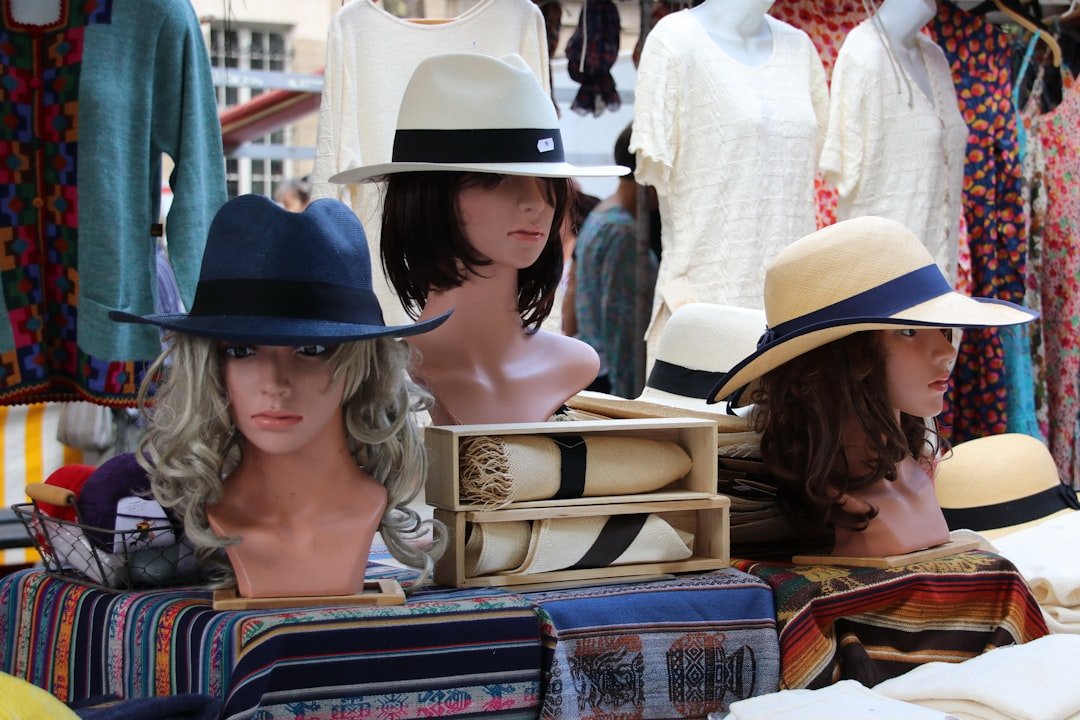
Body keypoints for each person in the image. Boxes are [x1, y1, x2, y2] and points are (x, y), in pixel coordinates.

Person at [110, 195, 449, 598]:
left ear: (361, 363)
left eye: (310, 350)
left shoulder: (365, 509)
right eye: (241, 351)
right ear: (213, 368)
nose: (275, 382)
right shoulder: (212, 516)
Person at [708, 216, 1038, 558]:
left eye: (941, 329)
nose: (947, 351)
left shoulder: (918, 473)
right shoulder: (855, 507)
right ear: (846, 361)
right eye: (908, 332)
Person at [331, 53, 629, 425]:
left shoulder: (573, 363)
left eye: (547, 182)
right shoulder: (380, 381)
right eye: (498, 179)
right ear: (431, 195)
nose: (535, 203)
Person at [571, 124, 658, 398]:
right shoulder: (624, 233)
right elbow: (621, 329)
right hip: (612, 381)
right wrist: (629, 401)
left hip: (595, 370)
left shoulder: (602, 215)